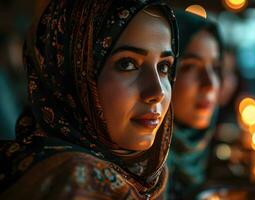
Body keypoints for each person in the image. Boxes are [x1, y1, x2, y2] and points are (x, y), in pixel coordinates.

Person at [0, 0, 178, 199]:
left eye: (164, 67)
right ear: (69, 73)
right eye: (127, 64)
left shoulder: (146, 177)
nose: (157, 91)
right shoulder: (76, 183)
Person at [167, 10, 223, 199]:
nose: (210, 84)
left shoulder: (205, 158)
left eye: (215, 68)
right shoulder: (135, 174)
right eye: (190, 66)